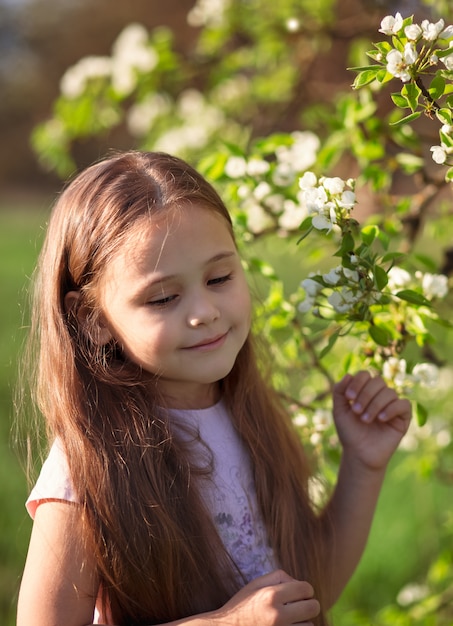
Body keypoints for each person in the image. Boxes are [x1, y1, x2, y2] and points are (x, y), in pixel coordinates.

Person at [16, 151, 411, 626]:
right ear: (93, 320)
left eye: (220, 277)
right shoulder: (89, 468)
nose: (204, 311)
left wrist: (363, 465)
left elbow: (310, 588)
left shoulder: (247, 417)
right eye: (164, 297)